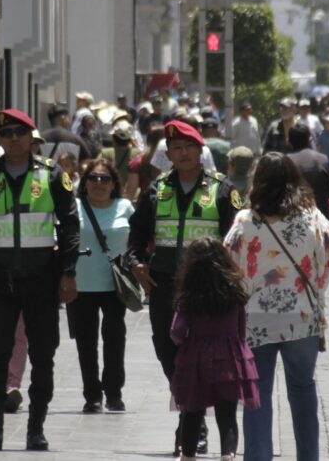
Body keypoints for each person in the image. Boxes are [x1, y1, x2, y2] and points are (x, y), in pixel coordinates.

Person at [0, 108, 80, 451]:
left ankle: (36, 428)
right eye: (6, 133)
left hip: (41, 278)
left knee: (43, 356)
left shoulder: (52, 175)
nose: (13, 139)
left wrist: (69, 272)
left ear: (32, 138)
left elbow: (70, 227)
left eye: (19, 133)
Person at [126, 119, 242, 456]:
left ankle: (190, 426)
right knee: (169, 354)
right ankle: (192, 418)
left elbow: (238, 238)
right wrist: (135, 263)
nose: (183, 152)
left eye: (189, 146)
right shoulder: (155, 190)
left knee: (207, 359)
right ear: (169, 155)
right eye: (175, 148)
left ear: (200, 150)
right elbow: (135, 236)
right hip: (165, 288)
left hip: (209, 291)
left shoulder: (222, 189)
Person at [224, 152, 329, 461]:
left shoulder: (246, 220)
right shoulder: (313, 216)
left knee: (258, 393)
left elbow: (229, 262)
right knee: (303, 389)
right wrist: (314, 287)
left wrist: (246, 289)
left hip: (256, 317)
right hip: (302, 316)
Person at [170, 237, 260, 461]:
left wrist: (185, 343)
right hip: (230, 358)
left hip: (196, 359)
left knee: (192, 411)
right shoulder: (235, 294)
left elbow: (177, 331)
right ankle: (228, 455)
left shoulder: (188, 298)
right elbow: (241, 330)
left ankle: (188, 456)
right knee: (227, 414)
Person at [71, 159, 134, 413]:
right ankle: (92, 395)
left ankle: (114, 392)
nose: (99, 183)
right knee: (86, 342)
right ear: (84, 183)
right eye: (93, 178)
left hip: (114, 284)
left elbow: (139, 238)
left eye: (105, 179)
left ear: (113, 184)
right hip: (80, 284)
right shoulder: (73, 207)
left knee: (114, 337)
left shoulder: (126, 207)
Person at [287, 123, 329, 221]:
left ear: (289, 141)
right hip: (321, 218)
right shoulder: (322, 159)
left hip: (295, 219)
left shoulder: (284, 162)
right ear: (310, 139)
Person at [98, 119, 140, 192]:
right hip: (133, 194)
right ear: (130, 139)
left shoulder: (105, 153)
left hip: (111, 193)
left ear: (113, 138)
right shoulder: (138, 153)